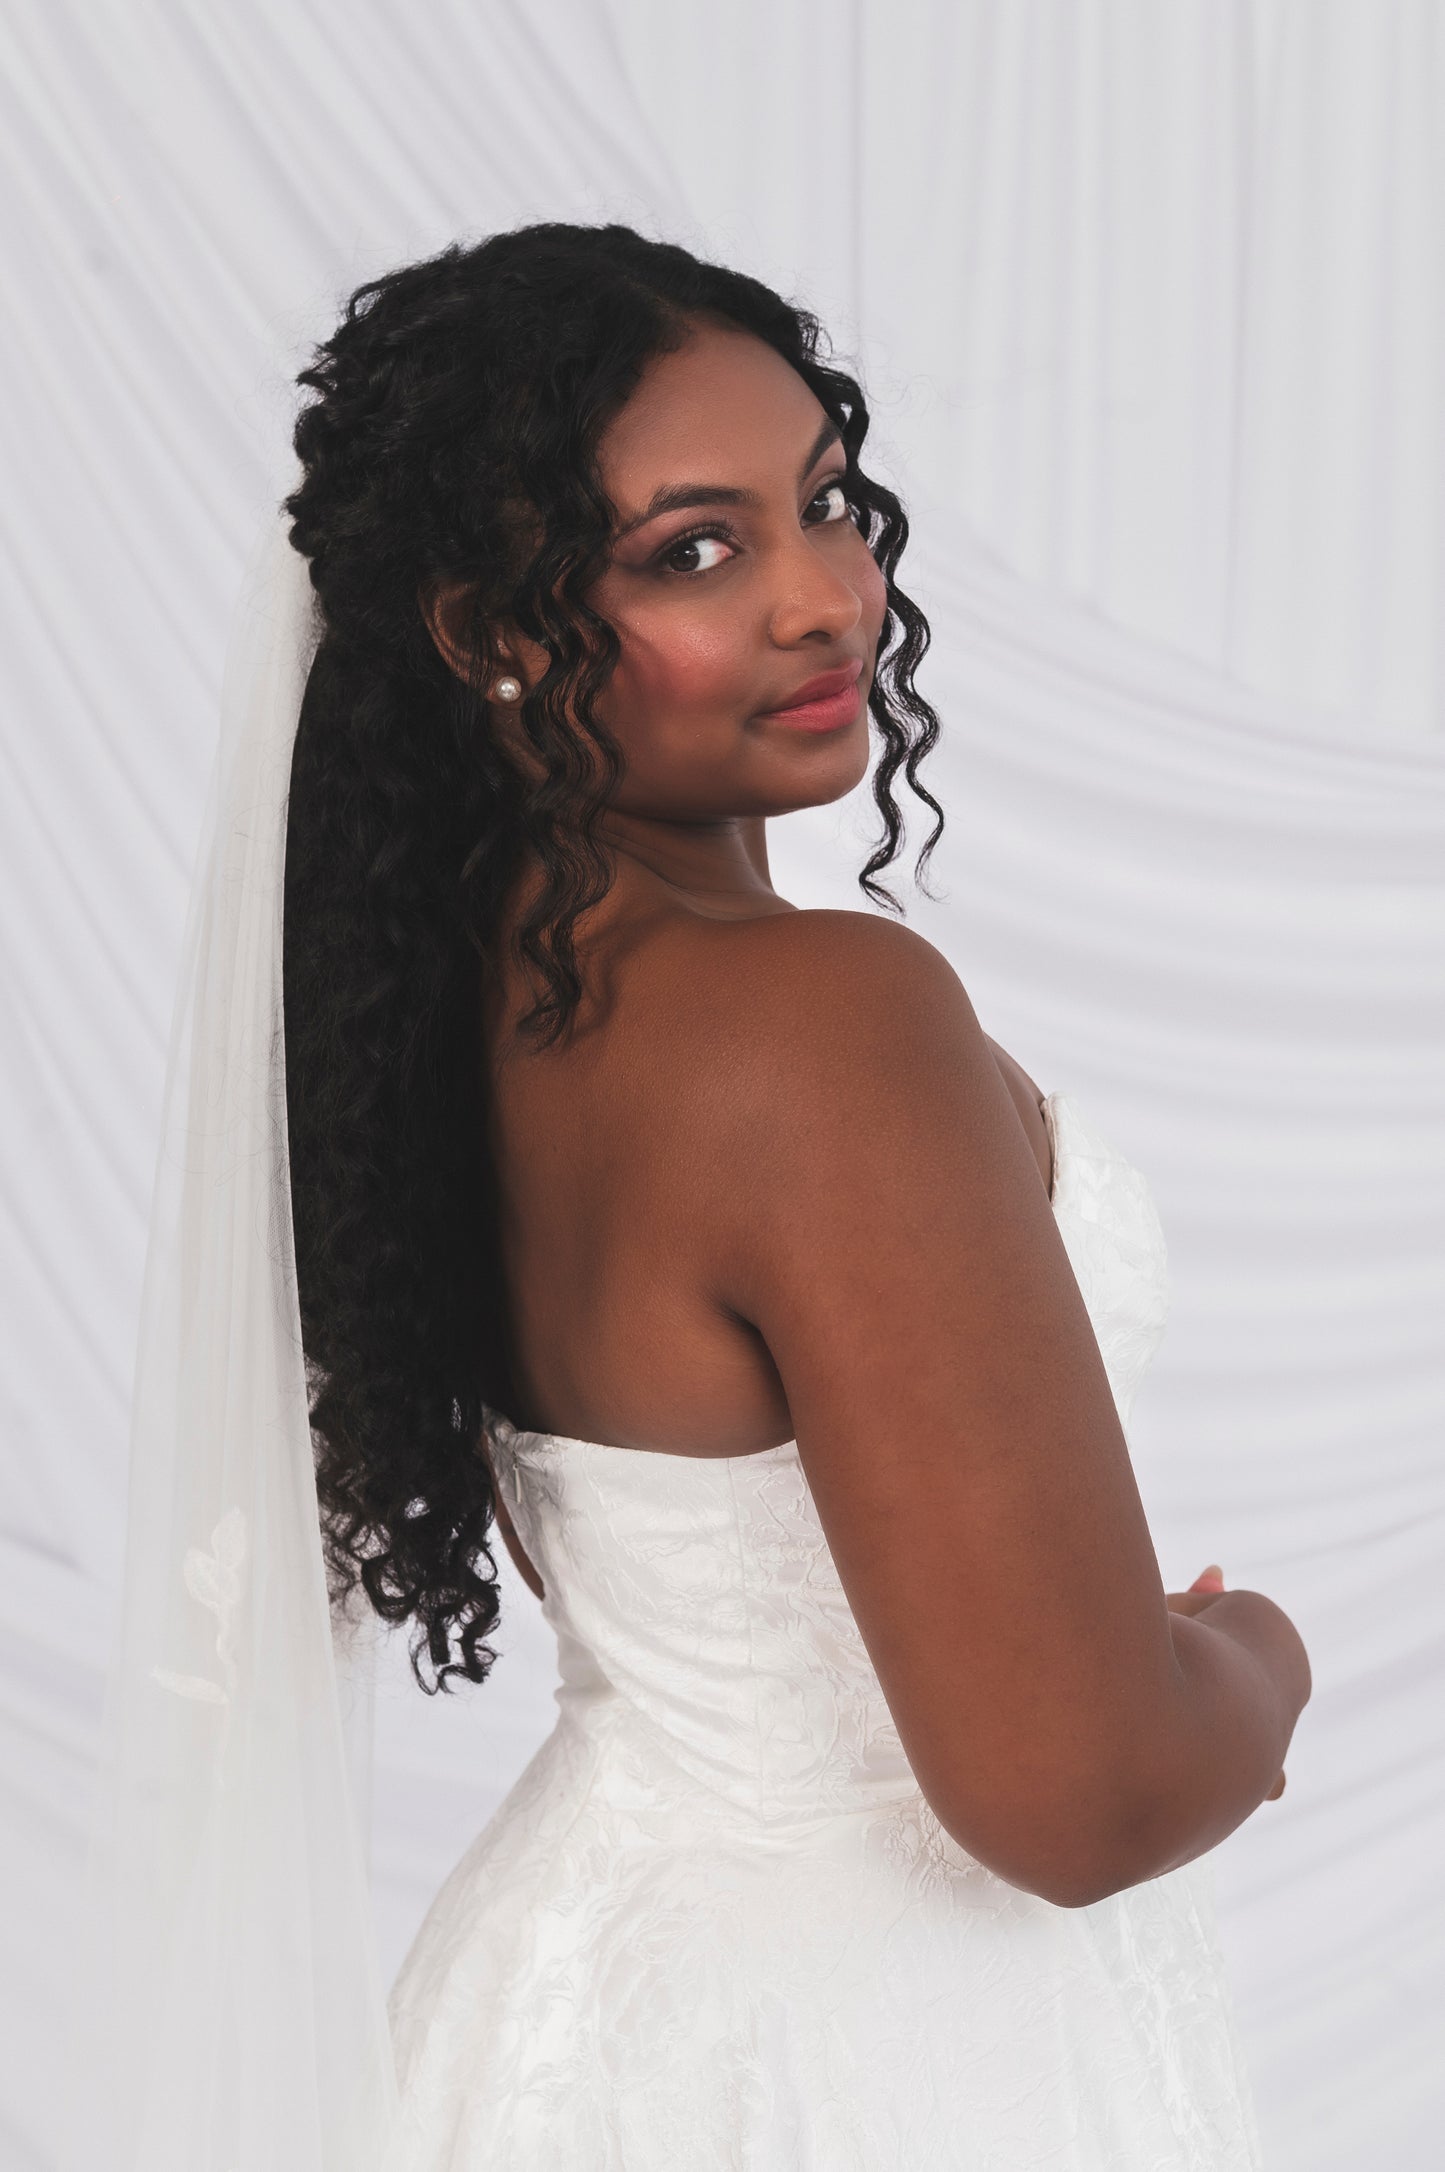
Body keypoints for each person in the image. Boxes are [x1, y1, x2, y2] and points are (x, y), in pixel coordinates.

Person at [86, 220, 1310, 2171]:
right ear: (489, 625)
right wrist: (1255, 1666)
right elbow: (1076, 1794)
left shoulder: (465, 997)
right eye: (697, 551)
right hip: (862, 2061)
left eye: (826, 501)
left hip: (577, 2014)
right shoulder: (817, 1031)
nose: (829, 598)